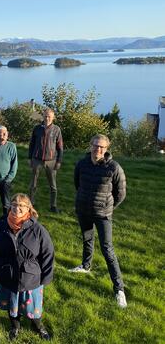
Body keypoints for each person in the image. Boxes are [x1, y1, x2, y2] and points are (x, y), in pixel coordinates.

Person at [0, 193, 54, 341]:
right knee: (12, 305)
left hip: (30, 278)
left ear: (28, 208)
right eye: (14, 204)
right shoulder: (2, 224)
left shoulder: (37, 229)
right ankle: (15, 327)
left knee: (32, 309)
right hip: (6, 274)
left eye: (21, 205)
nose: (17, 208)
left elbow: (48, 253)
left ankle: (37, 326)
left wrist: (46, 277)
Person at [69, 134, 127, 308]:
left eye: (102, 147)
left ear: (106, 149)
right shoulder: (82, 164)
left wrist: (107, 207)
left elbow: (120, 194)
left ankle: (119, 289)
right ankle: (86, 266)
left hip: (103, 214)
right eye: (95, 146)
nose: (98, 149)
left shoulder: (114, 168)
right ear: (90, 146)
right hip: (84, 211)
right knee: (87, 239)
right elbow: (77, 184)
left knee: (107, 249)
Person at [28, 108, 63, 213]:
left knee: (53, 185)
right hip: (36, 159)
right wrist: (30, 158)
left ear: (53, 117)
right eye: (45, 116)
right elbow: (31, 144)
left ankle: (53, 205)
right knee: (33, 184)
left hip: (51, 161)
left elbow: (60, 147)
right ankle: (31, 204)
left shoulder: (56, 129)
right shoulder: (37, 128)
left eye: (49, 116)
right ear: (43, 116)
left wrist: (59, 161)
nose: (47, 118)